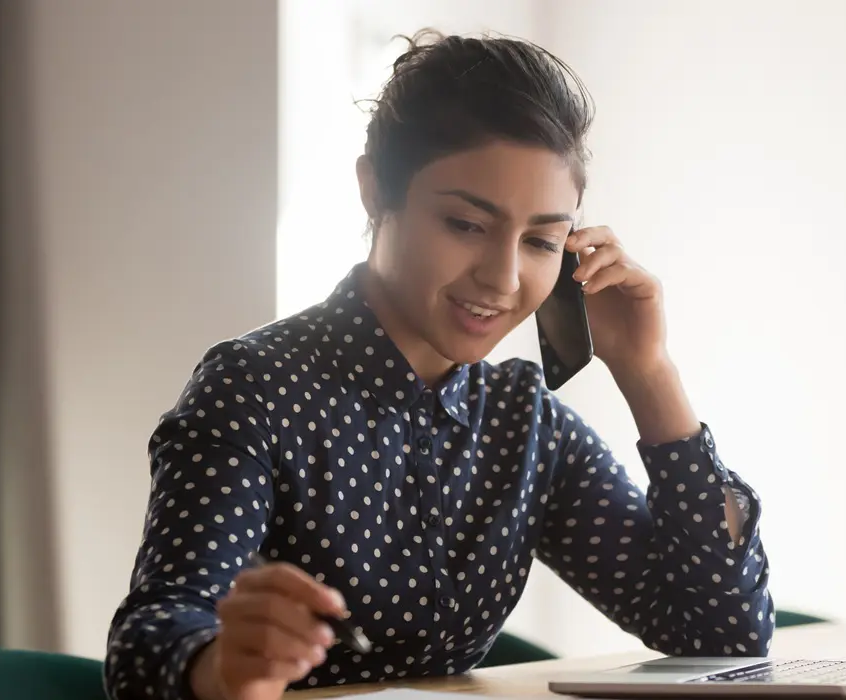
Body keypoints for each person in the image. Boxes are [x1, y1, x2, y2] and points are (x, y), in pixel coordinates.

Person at [103, 29, 774, 700]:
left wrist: (647, 371)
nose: (505, 278)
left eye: (541, 240)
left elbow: (722, 634)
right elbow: (150, 640)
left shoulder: (522, 421)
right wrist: (223, 667)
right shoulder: (254, 388)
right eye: (466, 225)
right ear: (374, 192)